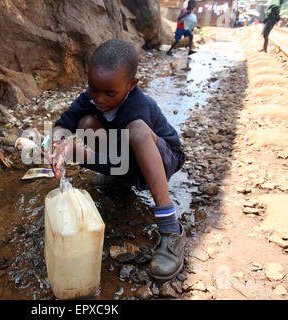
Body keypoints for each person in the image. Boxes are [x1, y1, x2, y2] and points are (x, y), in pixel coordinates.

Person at [51, 39, 187, 281]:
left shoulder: (138, 107)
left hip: (163, 158)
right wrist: (58, 143)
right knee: (86, 123)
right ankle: (120, 180)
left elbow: (123, 158)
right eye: (94, 90)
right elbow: (64, 123)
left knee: (136, 130)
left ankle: (170, 230)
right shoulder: (91, 97)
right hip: (125, 157)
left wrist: (79, 154)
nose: (100, 99)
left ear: (132, 84)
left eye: (110, 93)